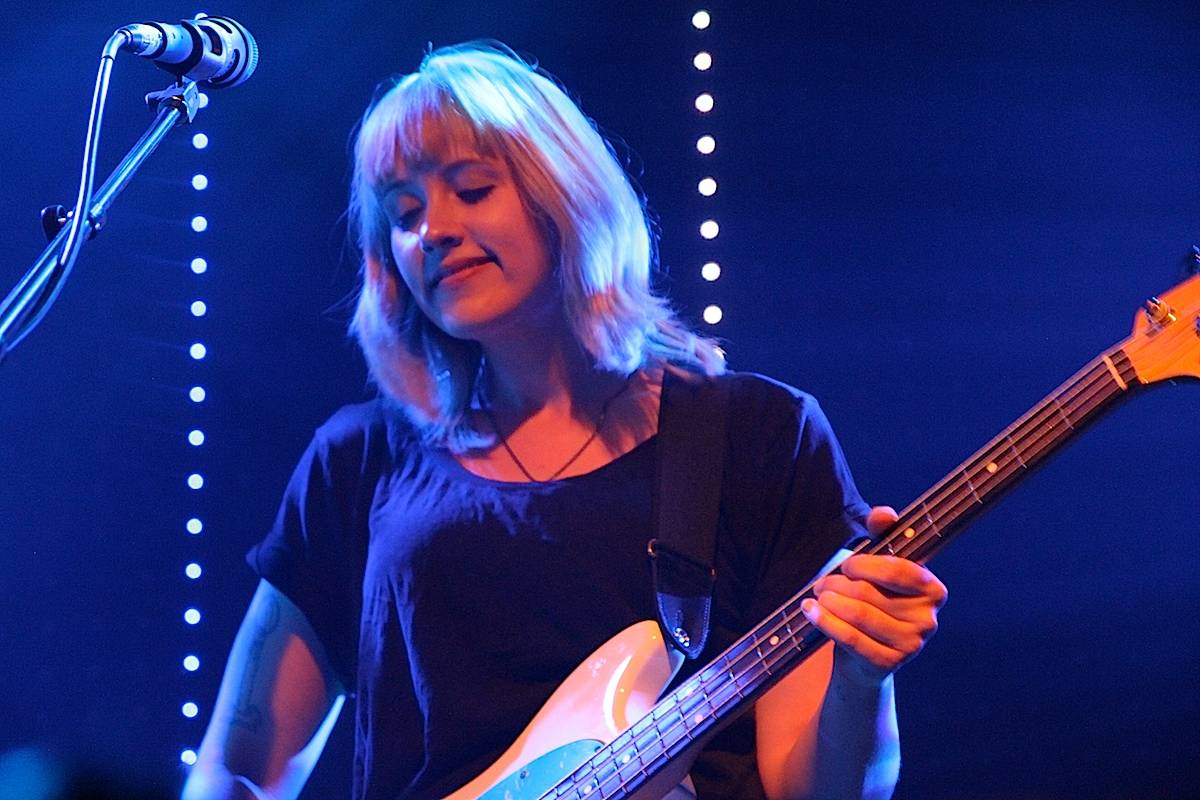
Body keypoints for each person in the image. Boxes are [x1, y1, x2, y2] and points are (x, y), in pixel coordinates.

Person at [181, 42, 947, 800]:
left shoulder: (759, 436)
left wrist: (859, 676)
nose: (432, 231)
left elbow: (815, 792)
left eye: (472, 189)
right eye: (404, 214)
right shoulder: (359, 460)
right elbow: (239, 769)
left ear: (564, 195)